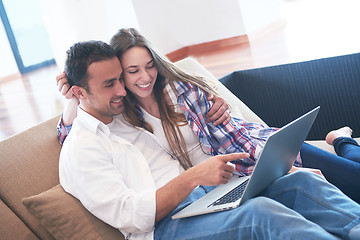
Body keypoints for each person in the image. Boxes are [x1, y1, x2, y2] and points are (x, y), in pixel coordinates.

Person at [59, 40, 360, 240]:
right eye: (110, 84)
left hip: (203, 201)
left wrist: (220, 106)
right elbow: (131, 217)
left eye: (119, 80)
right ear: (79, 92)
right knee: (260, 214)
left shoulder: (123, 114)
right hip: (165, 227)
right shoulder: (82, 149)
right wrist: (192, 178)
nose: (122, 91)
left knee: (298, 183)